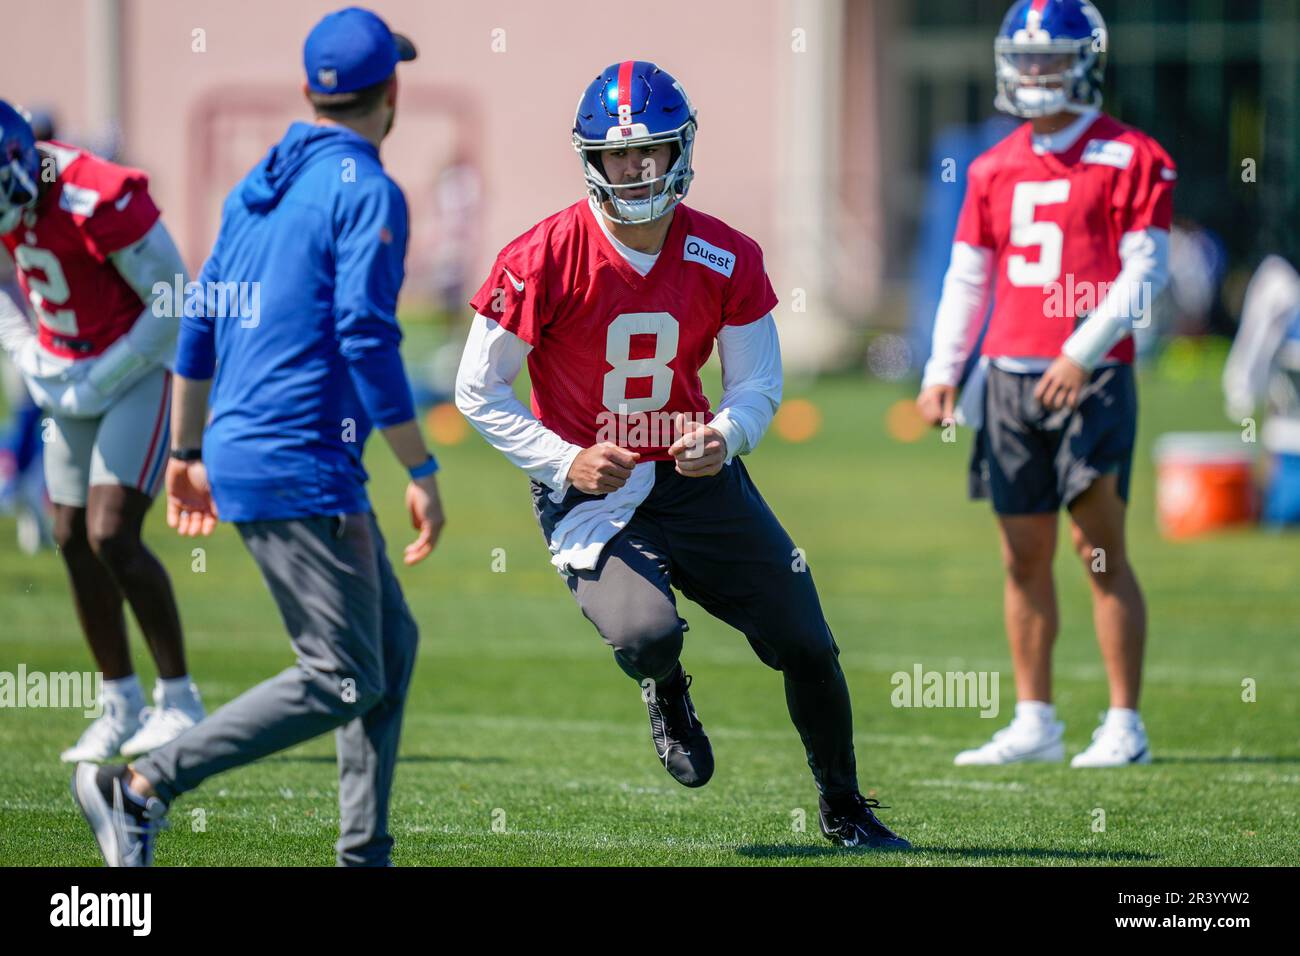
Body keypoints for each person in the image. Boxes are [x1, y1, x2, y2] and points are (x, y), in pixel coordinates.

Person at [455, 60, 909, 849]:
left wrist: (726, 435)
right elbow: (476, 388)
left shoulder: (725, 253)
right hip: (593, 487)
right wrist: (563, 462)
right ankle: (667, 689)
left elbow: (757, 383)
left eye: (651, 151)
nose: (636, 168)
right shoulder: (540, 256)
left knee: (807, 640)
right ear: (592, 161)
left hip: (697, 482)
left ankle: (845, 808)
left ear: (680, 150)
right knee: (647, 636)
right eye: (618, 155)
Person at [70, 6, 445, 867]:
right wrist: (420, 466)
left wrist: (187, 453)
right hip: (300, 461)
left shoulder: (256, 187)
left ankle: (363, 853)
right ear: (390, 92)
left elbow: (198, 323)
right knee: (341, 676)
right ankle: (140, 786)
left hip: (254, 450)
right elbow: (365, 334)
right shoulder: (369, 190)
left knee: (388, 650)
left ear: (312, 92)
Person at [917, 0, 1175, 767]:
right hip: (1008, 378)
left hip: (1090, 378)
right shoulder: (992, 165)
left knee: (1099, 550)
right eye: (1024, 56)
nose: (1035, 70)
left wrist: (1081, 351)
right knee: (1021, 556)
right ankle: (1035, 720)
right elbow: (968, 278)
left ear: (1086, 60)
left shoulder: (1132, 155)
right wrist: (941, 372)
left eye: (1050, 56)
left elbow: (1147, 273)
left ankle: (1124, 723)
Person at [0, 100, 205, 760]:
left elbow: (173, 301)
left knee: (111, 532)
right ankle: (120, 703)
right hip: (66, 367)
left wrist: (103, 373)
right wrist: (25, 350)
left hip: (136, 365)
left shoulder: (96, 197)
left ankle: (179, 700)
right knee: (69, 534)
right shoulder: (17, 193)